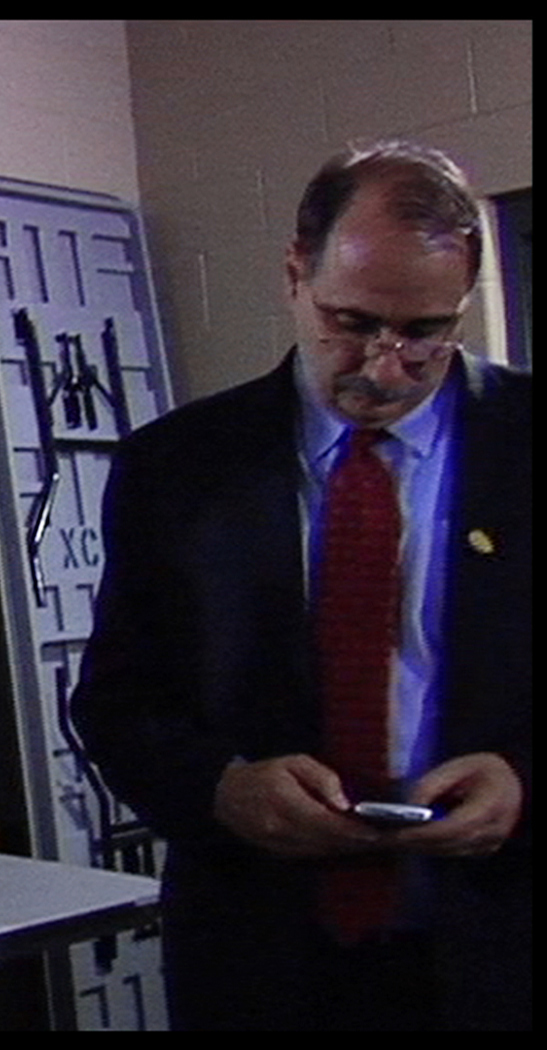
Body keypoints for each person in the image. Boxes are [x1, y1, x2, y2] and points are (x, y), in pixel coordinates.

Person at [72, 142, 530, 1030]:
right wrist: (221, 789)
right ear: (294, 273)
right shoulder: (177, 467)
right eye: (351, 321)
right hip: (262, 953)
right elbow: (118, 702)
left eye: (426, 332)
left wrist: (526, 783)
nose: (385, 365)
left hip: (504, 944)